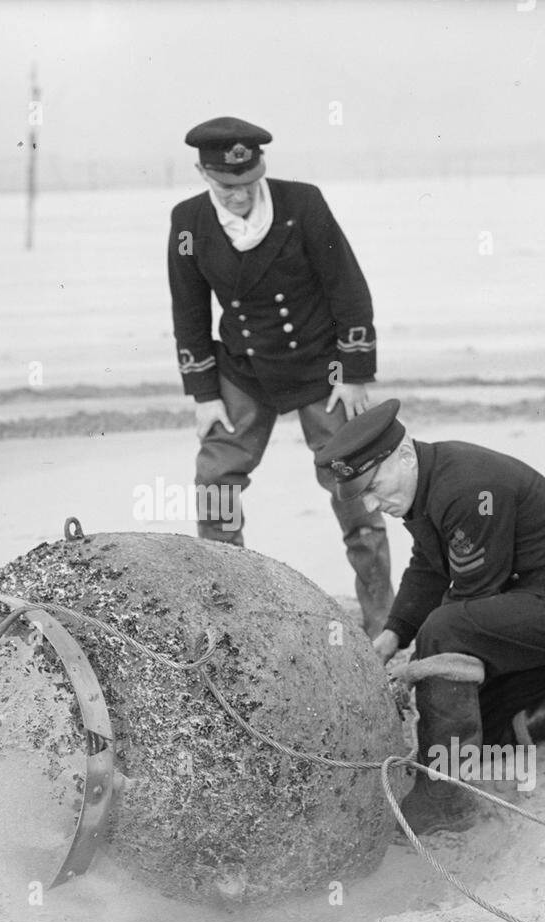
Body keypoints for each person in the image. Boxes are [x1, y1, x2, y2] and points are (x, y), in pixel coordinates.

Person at [313, 400, 545, 833]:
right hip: (539, 600)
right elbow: (428, 566)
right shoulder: (424, 482)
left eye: (375, 486)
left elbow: (470, 600)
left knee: (445, 633)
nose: (376, 504)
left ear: (403, 453)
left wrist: (413, 671)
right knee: (485, 728)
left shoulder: (467, 487)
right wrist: (392, 637)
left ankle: (446, 796)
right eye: (365, 496)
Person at [167, 116, 394, 634]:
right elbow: (189, 312)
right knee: (214, 482)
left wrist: (354, 371)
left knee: (353, 484)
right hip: (243, 368)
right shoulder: (187, 223)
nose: (240, 195)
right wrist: (204, 393)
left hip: (321, 366)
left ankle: (383, 619)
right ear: (204, 174)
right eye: (228, 187)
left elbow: (348, 288)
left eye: (249, 184)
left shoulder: (303, 204)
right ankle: (226, 611)